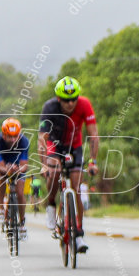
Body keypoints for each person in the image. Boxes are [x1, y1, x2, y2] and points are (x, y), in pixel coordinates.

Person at [38, 76, 99, 253]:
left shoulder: (84, 104)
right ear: (58, 98)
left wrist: (93, 161)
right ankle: (51, 203)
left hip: (75, 146)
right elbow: (42, 138)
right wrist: (44, 164)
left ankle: (78, 233)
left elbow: (93, 135)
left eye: (74, 99)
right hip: (54, 145)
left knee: (77, 186)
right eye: (66, 100)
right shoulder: (49, 108)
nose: (70, 103)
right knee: (54, 169)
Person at [0, 117, 30, 239]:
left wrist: (18, 169)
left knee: (19, 192)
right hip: (3, 162)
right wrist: (7, 170)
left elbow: (24, 165)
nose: (13, 140)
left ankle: (22, 222)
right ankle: (1, 209)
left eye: (15, 136)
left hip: (17, 163)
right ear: (3, 135)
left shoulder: (24, 141)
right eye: (9, 136)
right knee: (2, 177)